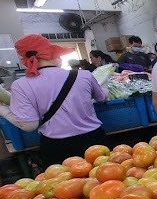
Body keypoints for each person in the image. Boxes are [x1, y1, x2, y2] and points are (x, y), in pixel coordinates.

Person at [0, 34, 107, 164]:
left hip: (57, 147)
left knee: (64, 182)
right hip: (94, 140)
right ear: (54, 55)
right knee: (106, 180)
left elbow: (29, 125)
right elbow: (102, 98)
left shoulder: (20, 85)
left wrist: (2, 110)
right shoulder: (83, 75)